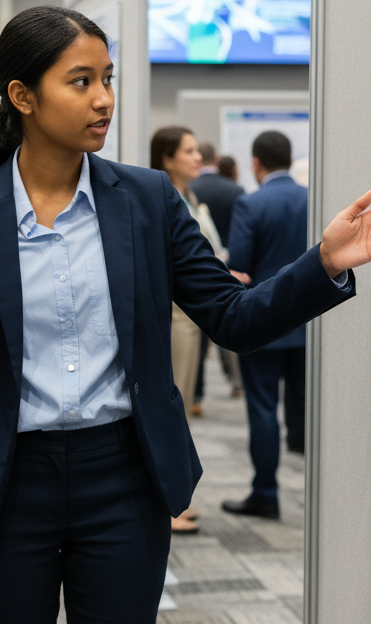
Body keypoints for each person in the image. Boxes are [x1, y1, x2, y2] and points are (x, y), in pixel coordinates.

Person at [0, 5, 371, 622]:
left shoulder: (147, 201)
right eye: (81, 82)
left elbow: (233, 317)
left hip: (123, 481)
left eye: (108, 78)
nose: (104, 99)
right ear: (22, 95)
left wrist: (325, 262)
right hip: (6, 485)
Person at [222, 130, 312, 521]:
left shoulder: (251, 204)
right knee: (307, 409)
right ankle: (318, 495)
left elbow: (238, 265)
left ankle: (266, 492)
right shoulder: (313, 198)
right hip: (309, 323)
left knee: (262, 410)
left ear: (256, 163)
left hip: (264, 323)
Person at [149, 126, 231, 535]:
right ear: (166, 158)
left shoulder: (191, 198)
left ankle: (175, 498)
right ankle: (168, 504)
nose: (199, 158)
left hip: (193, 313)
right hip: (177, 315)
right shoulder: (163, 200)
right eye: (189, 151)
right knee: (174, 403)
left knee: (183, 401)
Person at [188, 143, 248, 410]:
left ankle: (197, 396)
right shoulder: (235, 190)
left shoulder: (191, 191)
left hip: (191, 271)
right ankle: (237, 383)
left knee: (195, 344)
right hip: (226, 268)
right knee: (228, 327)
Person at [189, 143, 244, 247]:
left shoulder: (189, 190)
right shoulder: (236, 190)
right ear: (216, 159)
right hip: (229, 253)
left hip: (198, 252)